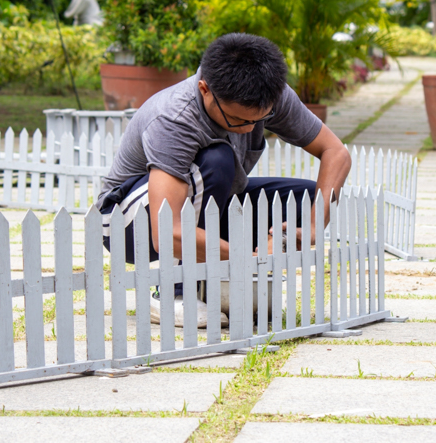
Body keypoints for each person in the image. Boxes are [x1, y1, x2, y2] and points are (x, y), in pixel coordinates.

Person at [97, 33, 351, 327]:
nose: (248, 129)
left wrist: (313, 225)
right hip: (129, 223)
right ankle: (172, 293)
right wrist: (247, 256)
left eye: (260, 119)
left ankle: (211, 282)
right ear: (205, 89)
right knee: (217, 160)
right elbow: (166, 231)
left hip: (205, 203)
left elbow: (337, 152)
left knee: (305, 199)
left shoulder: (270, 93)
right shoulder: (174, 117)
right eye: (237, 120)